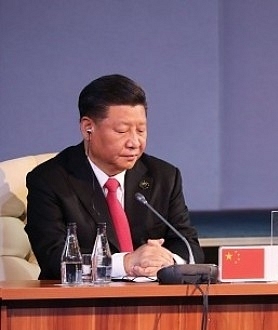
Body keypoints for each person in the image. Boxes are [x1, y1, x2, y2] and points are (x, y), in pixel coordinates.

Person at [26, 74, 204, 280]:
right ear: (88, 128)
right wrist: (126, 263)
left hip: (153, 302)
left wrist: (168, 262)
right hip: (81, 306)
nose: (135, 142)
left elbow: (189, 246)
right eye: (122, 131)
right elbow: (54, 259)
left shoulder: (164, 176)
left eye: (141, 130)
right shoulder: (50, 180)